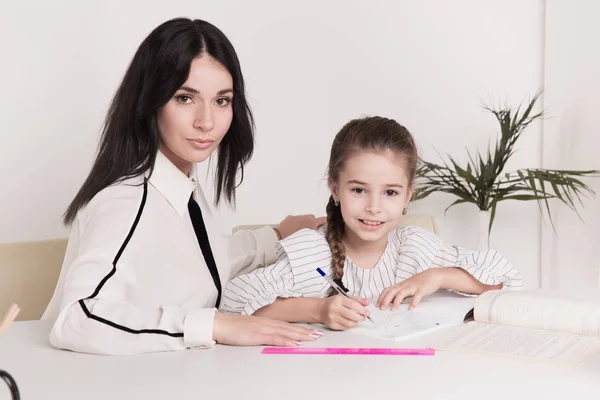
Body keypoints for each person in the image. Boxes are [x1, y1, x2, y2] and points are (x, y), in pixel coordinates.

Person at [42, 17, 325, 355]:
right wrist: (213, 324)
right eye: (185, 98)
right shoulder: (125, 200)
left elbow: (197, 262)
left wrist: (275, 236)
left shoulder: (181, 188)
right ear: (151, 102)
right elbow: (77, 317)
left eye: (221, 100)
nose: (206, 122)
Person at [221, 116, 523, 330]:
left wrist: (437, 276)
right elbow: (233, 301)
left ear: (407, 196)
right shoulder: (313, 253)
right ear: (335, 189)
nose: (374, 207)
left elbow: (507, 279)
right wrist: (318, 310)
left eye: (390, 192)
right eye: (358, 190)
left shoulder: (415, 248)